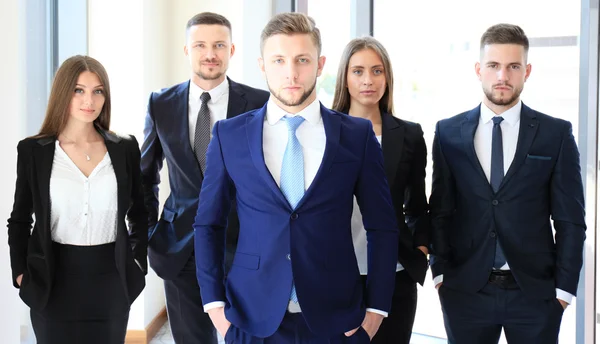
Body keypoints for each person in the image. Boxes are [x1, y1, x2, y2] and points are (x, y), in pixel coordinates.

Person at [193, 13, 399, 344]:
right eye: (279, 60)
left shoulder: (356, 136)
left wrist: (375, 312)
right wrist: (216, 309)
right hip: (250, 318)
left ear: (320, 64)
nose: (291, 72)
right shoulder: (229, 135)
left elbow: (382, 226)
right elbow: (208, 224)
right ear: (262, 65)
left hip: (336, 319)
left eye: (302, 60)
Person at [429, 23, 586, 343]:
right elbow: (440, 211)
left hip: (536, 296)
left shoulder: (555, 134)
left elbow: (571, 220)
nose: (503, 76)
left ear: (526, 71)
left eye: (513, 66)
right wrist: (441, 275)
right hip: (465, 292)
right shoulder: (448, 133)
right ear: (479, 70)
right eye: (494, 66)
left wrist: (564, 291)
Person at [141, 12, 269, 343]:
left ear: (232, 50)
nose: (209, 53)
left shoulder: (259, 103)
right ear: (187, 50)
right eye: (200, 45)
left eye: (218, 45)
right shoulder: (160, 104)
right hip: (179, 245)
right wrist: (149, 233)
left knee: (246, 337)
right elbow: (145, 176)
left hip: (243, 247)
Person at [7, 55, 147, 344]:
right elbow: (19, 220)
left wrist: (138, 264)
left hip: (111, 278)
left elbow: (139, 213)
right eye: (78, 90)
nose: (90, 100)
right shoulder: (34, 151)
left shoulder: (125, 148)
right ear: (63, 93)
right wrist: (21, 274)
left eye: (98, 91)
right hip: (53, 279)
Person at [331, 36, 429, 344]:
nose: (368, 80)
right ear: (344, 79)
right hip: (335, 272)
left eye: (377, 71)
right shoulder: (323, 132)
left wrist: (420, 252)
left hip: (394, 273)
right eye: (358, 71)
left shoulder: (409, 135)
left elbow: (417, 206)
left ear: (387, 77)